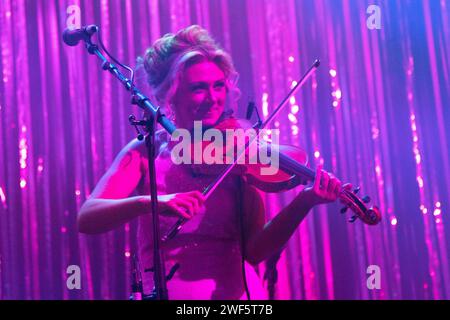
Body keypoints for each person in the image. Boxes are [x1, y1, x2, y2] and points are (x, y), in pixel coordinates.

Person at [77, 25, 347, 300]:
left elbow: (255, 251)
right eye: (198, 89)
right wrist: (153, 203)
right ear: (170, 94)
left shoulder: (237, 150)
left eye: (219, 86)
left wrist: (304, 202)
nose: (214, 98)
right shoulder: (146, 151)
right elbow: (87, 217)